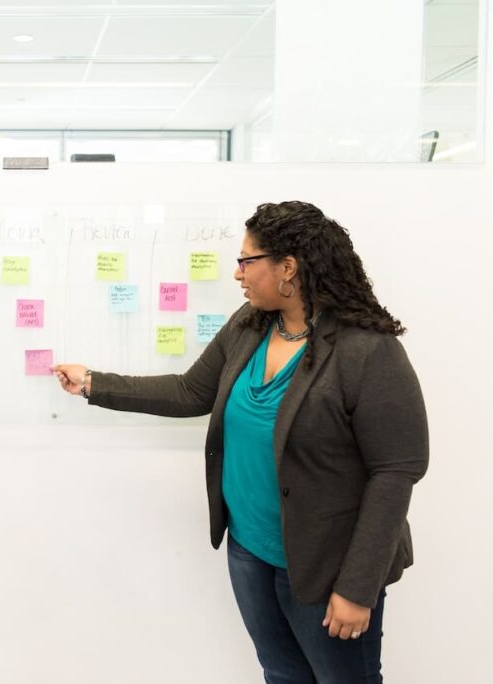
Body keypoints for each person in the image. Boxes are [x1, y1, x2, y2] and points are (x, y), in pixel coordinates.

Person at [54, 201, 427, 683]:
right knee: (282, 674)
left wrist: (357, 587)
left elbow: (396, 470)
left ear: (288, 267)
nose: (237, 274)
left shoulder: (366, 350)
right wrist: (94, 383)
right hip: (250, 551)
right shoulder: (250, 325)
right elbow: (191, 391)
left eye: (247, 260)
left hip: (325, 565)